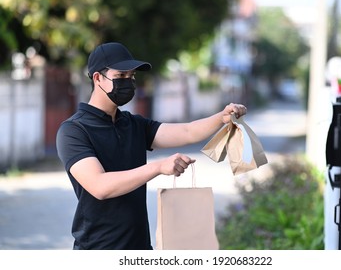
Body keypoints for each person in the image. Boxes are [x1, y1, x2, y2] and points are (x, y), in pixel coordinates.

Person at [56, 42, 247, 250]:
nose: (128, 82)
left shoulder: (133, 124)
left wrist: (222, 117)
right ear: (97, 78)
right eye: (121, 76)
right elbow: (101, 186)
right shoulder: (73, 131)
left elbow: (188, 131)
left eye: (131, 77)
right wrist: (158, 167)